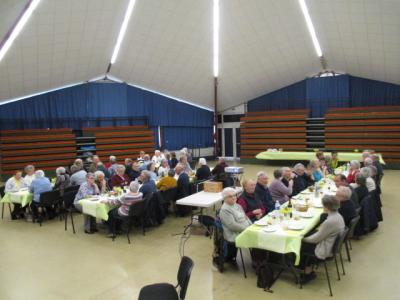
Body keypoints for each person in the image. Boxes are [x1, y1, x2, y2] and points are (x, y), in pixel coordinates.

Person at [299, 195, 345, 284]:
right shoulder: (338, 216)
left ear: (327, 207)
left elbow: (315, 239)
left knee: (302, 246)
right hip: (330, 245)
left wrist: (302, 239)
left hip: (325, 249)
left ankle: (307, 273)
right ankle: (306, 269)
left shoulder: (330, 221)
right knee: (309, 236)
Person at [219, 187, 252, 262]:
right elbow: (232, 226)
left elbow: (245, 217)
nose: (234, 197)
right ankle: (258, 261)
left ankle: (259, 259)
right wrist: (248, 229)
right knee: (258, 239)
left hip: (245, 230)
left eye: (234, 195)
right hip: (234, 235)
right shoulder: (224, 210)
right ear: (224, 198)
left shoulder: (237, 205)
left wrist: (252, 226)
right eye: (230, 196)